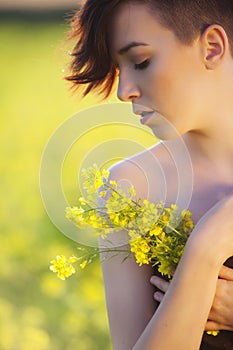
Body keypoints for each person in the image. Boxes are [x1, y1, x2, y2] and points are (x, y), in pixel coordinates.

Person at [65, 1, 233, 349]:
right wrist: (206, 248)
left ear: (212, 47)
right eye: (118, 68)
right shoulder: (130, 188)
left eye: (140, 62)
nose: (124, 91)